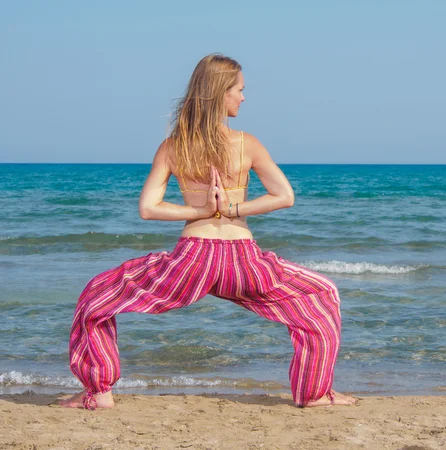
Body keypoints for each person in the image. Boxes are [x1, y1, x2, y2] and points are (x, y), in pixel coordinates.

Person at [59, 54, 356, 410]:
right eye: (240, 90)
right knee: (322, 295)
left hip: (192, 262)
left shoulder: (174, 146)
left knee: (96, 296)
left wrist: (201, 211)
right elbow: (285, 196)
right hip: (243, 262)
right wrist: (233, 209)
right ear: (220, 93)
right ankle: (314, 393)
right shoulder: (248, 144)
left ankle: (99, 391)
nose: (243, 98)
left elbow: (149, 208)